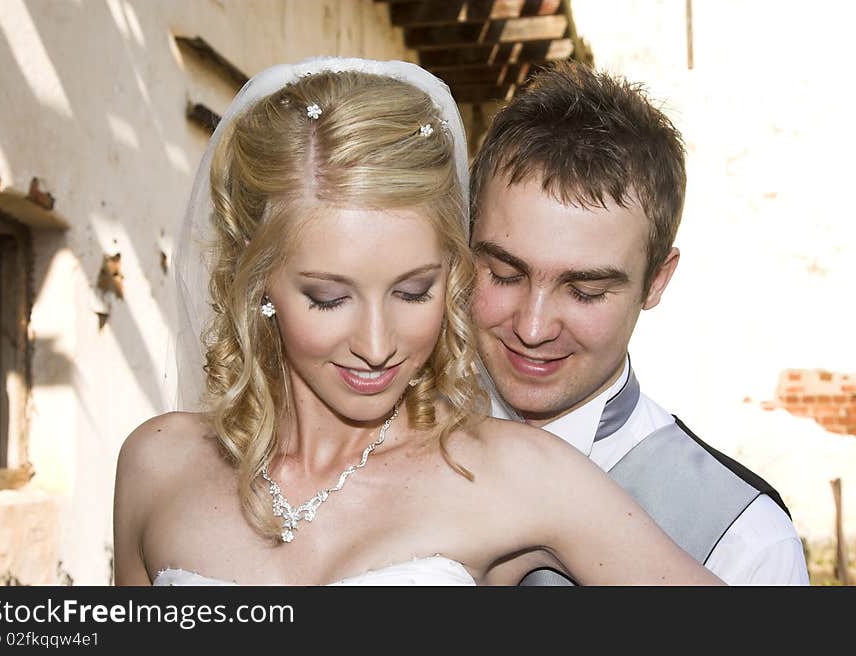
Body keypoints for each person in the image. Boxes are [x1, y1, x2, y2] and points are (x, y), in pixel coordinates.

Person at [113, 57, 722, 586]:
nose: (377, 346)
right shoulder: (157, 465)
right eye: (328, 298)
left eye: (413, 291)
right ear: (256, 276)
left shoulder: (518, 473)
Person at [468, 63, 809, 585]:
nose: (532, 328)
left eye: (586, 291)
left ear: (656, 281)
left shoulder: (746, 541)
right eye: (505, 274)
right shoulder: (372, 438)